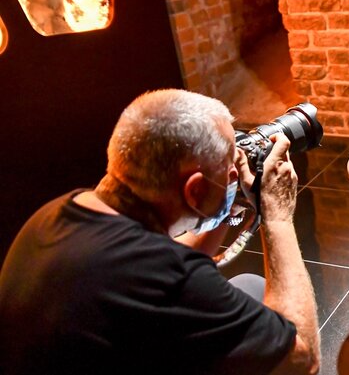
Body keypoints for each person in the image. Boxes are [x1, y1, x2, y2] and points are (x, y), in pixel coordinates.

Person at [0, 89, 320, 375]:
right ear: (194, 191)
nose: (235, 171)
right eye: (230, 169)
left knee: (249, 286)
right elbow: (303, 362)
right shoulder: (170, 279)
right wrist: (277, 214)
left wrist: (228, 200)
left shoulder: (56, 214)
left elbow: (170, 262)